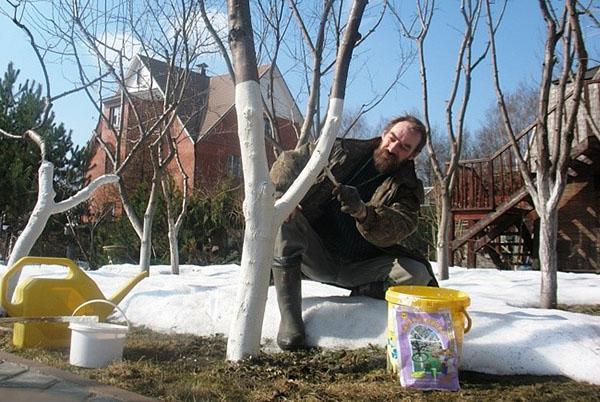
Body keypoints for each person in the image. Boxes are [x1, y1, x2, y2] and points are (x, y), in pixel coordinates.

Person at [269, 115, 438, 351]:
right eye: (392, 139)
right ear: (384, 133)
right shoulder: (339, 149)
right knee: (285, 217)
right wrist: (284, 196)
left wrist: (363, 213)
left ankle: (365, 292)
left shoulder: (408, 188)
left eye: (404, 147)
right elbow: (290, 160)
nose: (393, 148)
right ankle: (290, 320)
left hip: (360, 266)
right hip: (316, 253)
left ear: (413, 155)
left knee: (416, 274)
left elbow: (400, 226)